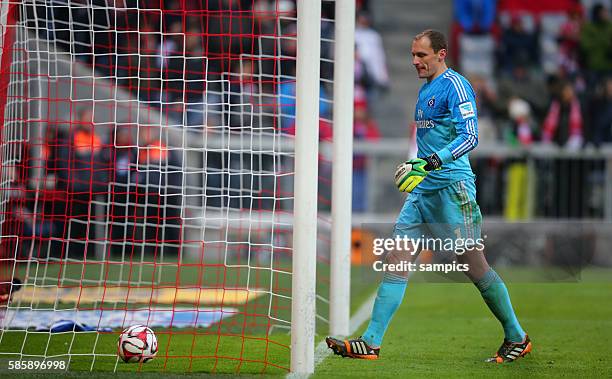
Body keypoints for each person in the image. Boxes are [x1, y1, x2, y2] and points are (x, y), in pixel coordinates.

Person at [326, 30, 532, 363]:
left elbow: (470, 137)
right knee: (396, 258)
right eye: (413, 55)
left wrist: (432, 162)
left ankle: (516, 336)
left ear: (441, 54)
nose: (414, 62)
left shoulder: (456, 86)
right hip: (424, 192)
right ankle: (371, 341)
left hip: (453, 190)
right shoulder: (425, 91)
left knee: (474, 266)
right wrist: (416, 166)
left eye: (421, 55)